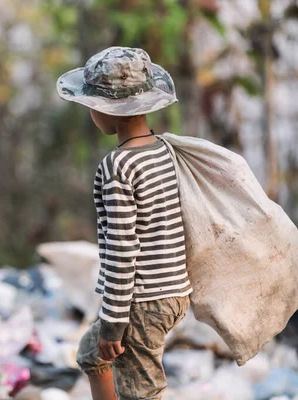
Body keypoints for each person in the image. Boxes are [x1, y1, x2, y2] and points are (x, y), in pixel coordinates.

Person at [56, 46, 193, 400]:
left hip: (142, 300)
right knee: (92, 355)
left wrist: (114, 324)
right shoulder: (164, 150)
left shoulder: (118, 167)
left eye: (91, 105)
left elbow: (122, 251)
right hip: (174, 290)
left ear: (108, 110)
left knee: (141, 392)